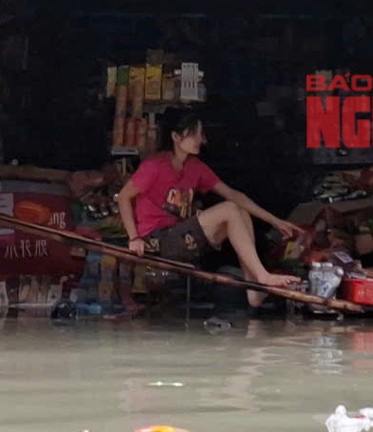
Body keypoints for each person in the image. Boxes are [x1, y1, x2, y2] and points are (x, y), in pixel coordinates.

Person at [118, 114, 307, 306]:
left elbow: (234, 195)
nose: (201, 139)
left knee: (239, 211)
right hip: (156, 240)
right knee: (230, 210)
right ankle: (262, 277)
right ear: (176, 137)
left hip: (181, 238)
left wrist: (276, 221)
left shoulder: (195, 167)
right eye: (194, 134)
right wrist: (134, 237)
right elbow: (124, 197)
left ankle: (254, 290)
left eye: (200, 133)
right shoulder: (154, 166)